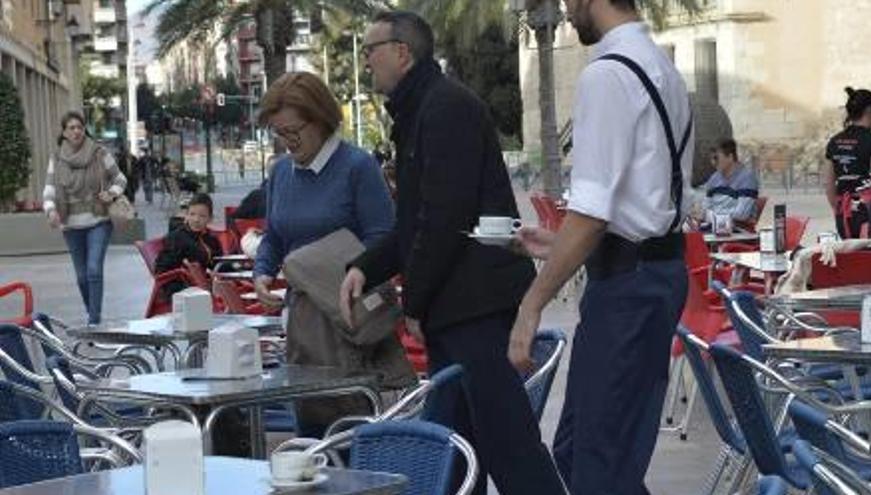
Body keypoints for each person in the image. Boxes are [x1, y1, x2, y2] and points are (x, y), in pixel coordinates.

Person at [339, 12, 566, 495]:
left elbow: (443, 218)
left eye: (370, 49)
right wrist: (365, 266)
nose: (365, 62)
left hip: (476, 306)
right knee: (457, 447)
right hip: (458, 307)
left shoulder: (445, 108)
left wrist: (415, 303)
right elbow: (415, 220)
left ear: (402, 52)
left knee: (507, 442)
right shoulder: (420, 108)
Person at [507, 1, 694, 493]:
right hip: (652, 274)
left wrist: (531, 305)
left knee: (599, 463)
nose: (567, 11)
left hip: (630, 288)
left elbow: (592, 212)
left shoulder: (607, 75)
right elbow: (639, 200)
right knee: (587, 451)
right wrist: (563, 243)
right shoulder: (663, 68)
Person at [254, 71, 397, 435]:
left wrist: (352, 269)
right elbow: (273, 235)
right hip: (300, 319)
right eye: (278, 132)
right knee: (310, 430)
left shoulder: (357, 166)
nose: (287, 141)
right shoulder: (282, 172)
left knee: (349, 427)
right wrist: (262, 272)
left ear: (320, 120)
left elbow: (384, 235)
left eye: (293, 131)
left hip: (346, 318)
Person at [43, 111, 128, 326]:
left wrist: (112, 193)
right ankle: (92, 313)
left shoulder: (99, 153)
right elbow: (49, 188)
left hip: (98, 220)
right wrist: (51, 209)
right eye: (71, 127)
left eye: (79, 127)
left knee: (93, 270)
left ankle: (94, 321)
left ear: (84, 129)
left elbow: (120, 178)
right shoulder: (57, 158)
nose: (76, 131)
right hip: (71, 224)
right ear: (64, 132)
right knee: (81, 277)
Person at [825, 87, 871, 239]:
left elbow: (828, 184)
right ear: (869, 111)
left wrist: (839, 209)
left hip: (844, 215)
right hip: (870, 214)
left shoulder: (834, 142)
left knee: (852, 260)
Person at [154, 193, 222, 297]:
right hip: (182, 289)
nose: (196, 219)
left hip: (209, 286)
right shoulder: (177, 238)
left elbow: (218, 262)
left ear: (210, 218)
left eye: (202, 216)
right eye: (192, 214)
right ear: (186, 215)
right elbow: (162, 269)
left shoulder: (211, 239)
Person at [698, 138, 759, 225]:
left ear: (730, 157)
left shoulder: (747, 178)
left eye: (716, 158)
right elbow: (704, 208)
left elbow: (741, 215)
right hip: (715, 228)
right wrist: (713, 217)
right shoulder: (714, 178)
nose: (713, 162)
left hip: (740, 231)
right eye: (711, 159)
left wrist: (712, 216)